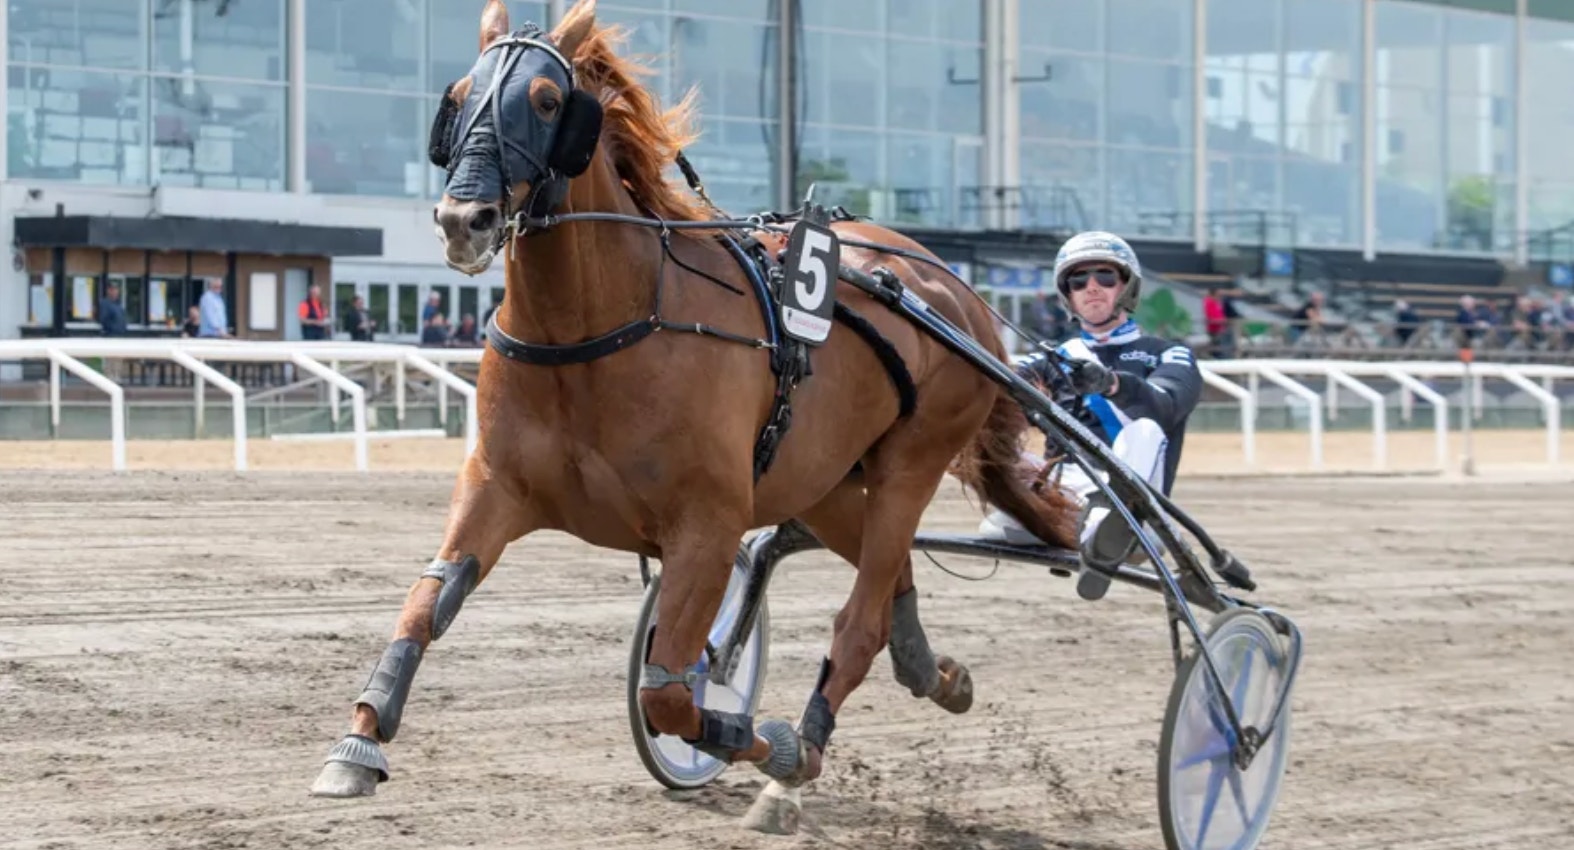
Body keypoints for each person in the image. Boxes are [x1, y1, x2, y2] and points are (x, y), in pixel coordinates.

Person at [977, 231, 1203, 601]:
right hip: (1062, 488)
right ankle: (1070, 524)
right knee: (980, 431)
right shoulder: (1049, 359)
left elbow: (1166, 405)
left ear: (1126, 287)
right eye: (1078, 280)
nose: (1091, 287)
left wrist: (1111, 384)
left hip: (1132, 486)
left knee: (1144, 429)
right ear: (1068, 294)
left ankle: (1117, 528)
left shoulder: (1167, 354)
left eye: (1105, 277)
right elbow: (995, 396)